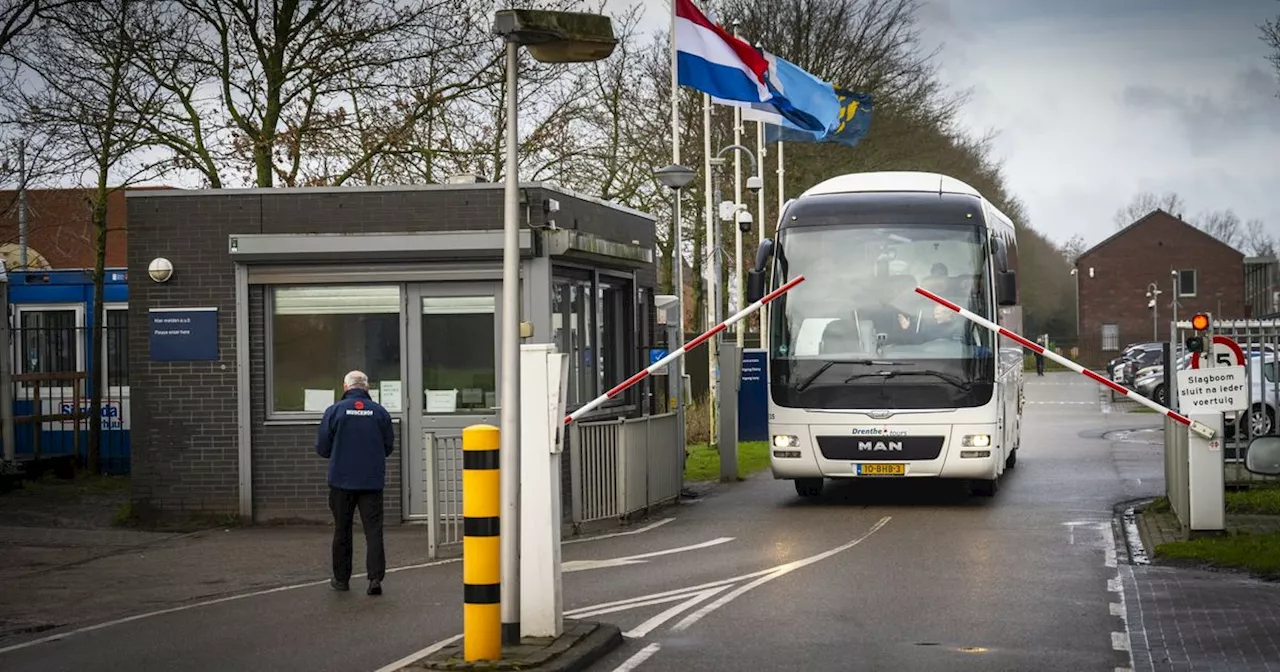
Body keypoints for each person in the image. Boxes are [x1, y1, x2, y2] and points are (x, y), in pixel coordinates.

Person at [315, 370, 396, 595]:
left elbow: (322, 448)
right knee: (373, 530)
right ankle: (375, 579)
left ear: (345, 386)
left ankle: (341, 579)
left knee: (342, 529)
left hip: (341, 481)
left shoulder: (334, 411)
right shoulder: (379, 412)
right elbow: (389, 446)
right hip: (371, 481)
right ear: (366, 388)